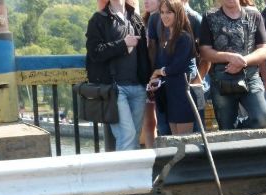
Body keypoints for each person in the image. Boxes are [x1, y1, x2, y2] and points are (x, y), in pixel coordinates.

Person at [85, 0, 151, 152]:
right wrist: (123, 44)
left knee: (133, 138)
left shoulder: (135, 17)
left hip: (138, 87)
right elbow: (95, 52)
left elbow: (144, 54)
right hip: (114, 88)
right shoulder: (98, 19)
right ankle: (126, 168)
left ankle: (128, 168)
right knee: (127, 136)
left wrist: (147, 80)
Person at [199, 0, 266, 130]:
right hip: (221, 80)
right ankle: (234, 132)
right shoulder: (209, 17)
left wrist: (242, 61)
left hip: (250, 78)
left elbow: (264, 50)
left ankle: (239, 129)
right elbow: (204, 52)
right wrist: (229, 57)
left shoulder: (254, 15)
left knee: (264, 118)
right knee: (227, 128)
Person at [147, 0, 203, 135]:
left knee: (185, 140)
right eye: (162, 12)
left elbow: (177, 66)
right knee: (175, 140)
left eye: (169, 12)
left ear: (177, 13)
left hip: (183, 93)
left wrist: (158, 71)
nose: (164, 16)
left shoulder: (184, 37)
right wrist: (155, 78)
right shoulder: (165, 36)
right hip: (170, 93)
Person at [141, 0, 160, 147]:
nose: (146, 1)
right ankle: (152, 153)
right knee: (149, 120)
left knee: (164, 119)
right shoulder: (142, 23)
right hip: (147, 75)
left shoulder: (168, 21)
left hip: (163, 74)